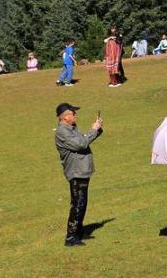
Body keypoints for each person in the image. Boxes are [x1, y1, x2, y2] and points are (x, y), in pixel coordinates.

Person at [54, 103, 103, 247]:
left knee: (82, 202)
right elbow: (81, 144)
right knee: (77, 203)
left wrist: (97, 129)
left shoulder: (72, 129)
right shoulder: (62, 132)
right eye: (73, 113)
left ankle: (79, 231)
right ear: (65, 117)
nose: (75, 115)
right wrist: (93, 130)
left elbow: (84, 140)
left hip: (82, 170)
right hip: (76, 172)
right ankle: (70, 237)